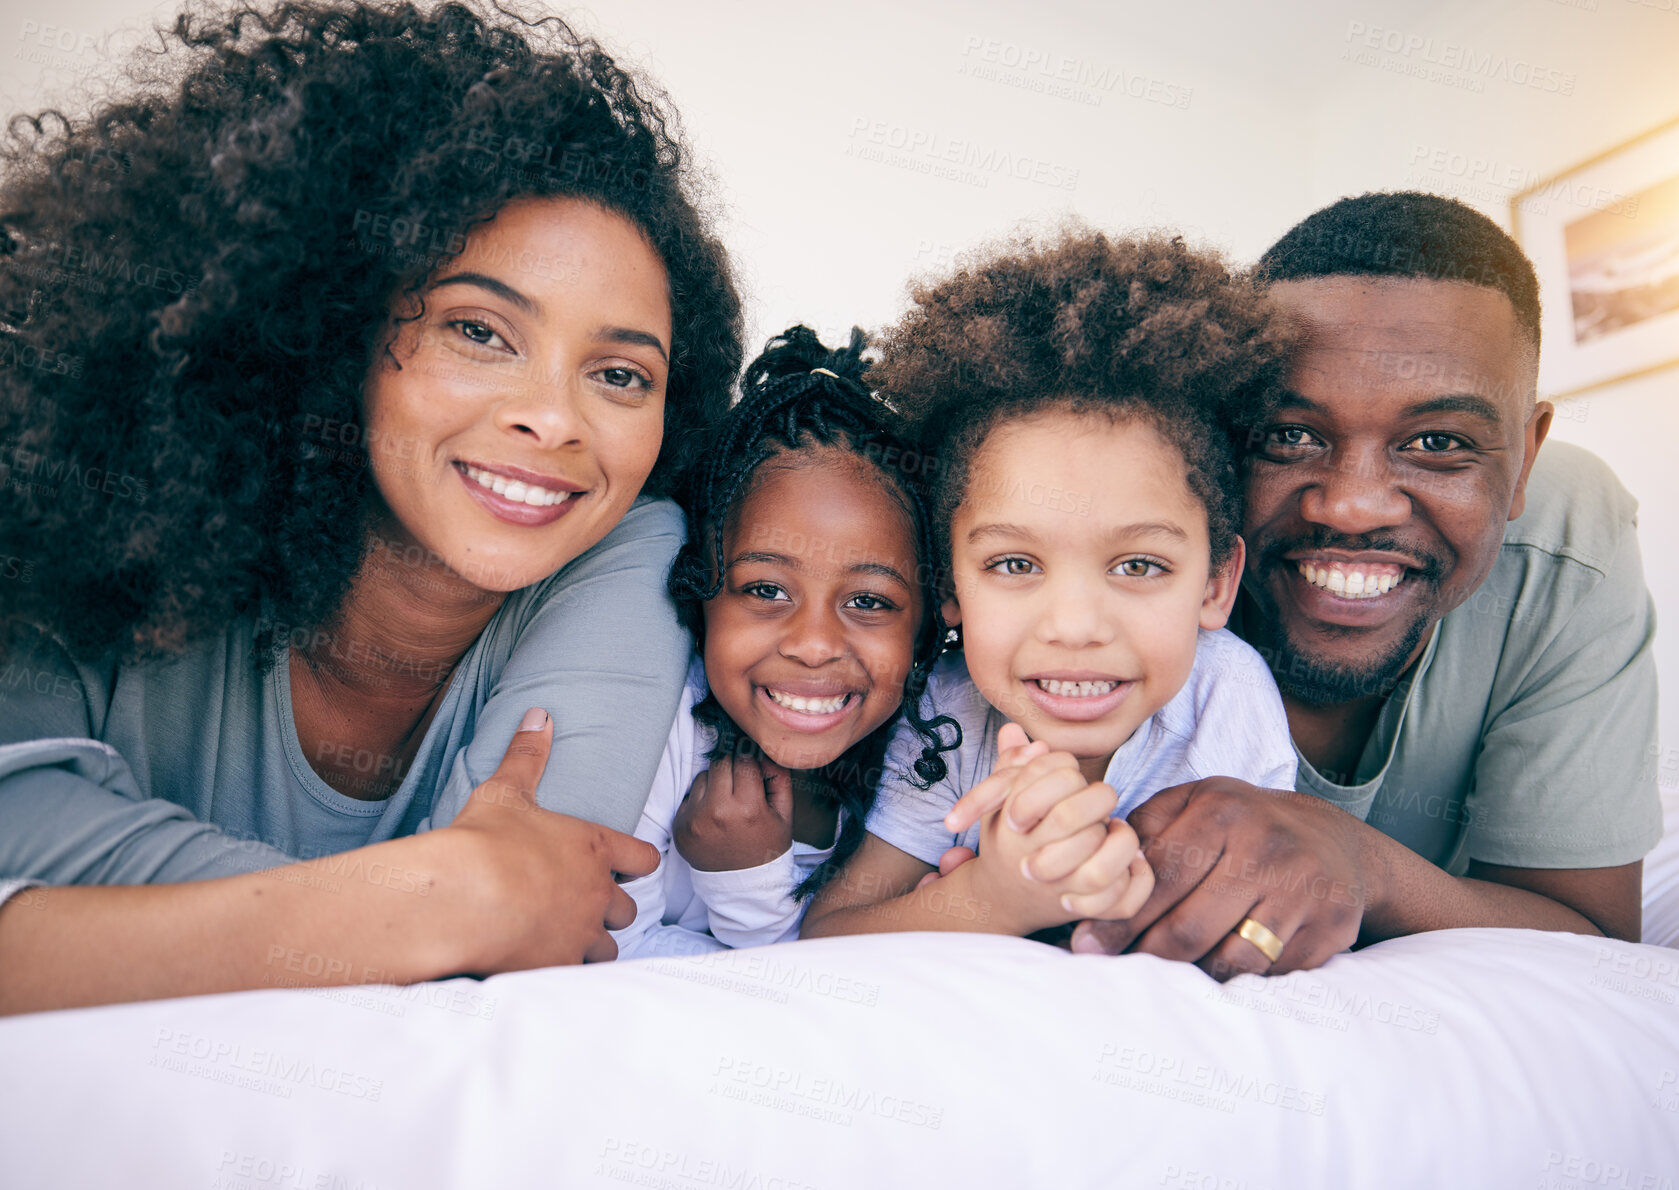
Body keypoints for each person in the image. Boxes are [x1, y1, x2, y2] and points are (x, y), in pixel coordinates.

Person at [0, 0, 743, 1014]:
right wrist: (428, 895)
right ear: (330, 329)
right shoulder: (116, 517)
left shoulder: (634, 550)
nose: (552, 418)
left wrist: (106, 928)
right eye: (479, 330)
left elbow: (516, 943)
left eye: (618, 374)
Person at [1070, 193, 1663, 976]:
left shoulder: (1567, 537)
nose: (1351, 506)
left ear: (1524, 456)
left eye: (1438, 442)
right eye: (1288, 435)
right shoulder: (1133, 527)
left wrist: (1359, 861)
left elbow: (1587, 931)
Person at [800, 230, 1300, 943]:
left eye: (1137, 566)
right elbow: (830, 937)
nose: (1072, 625)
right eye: (1013, 565)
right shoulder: (950, 710)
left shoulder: (1227, 699)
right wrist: (993, 899)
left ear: (1216, 585)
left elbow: (1240, 922)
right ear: (949, 584)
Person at [611, 326, 955, 958]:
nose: (815, 644)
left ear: (931, 622)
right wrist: (755, 909)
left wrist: (751, 893)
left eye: (869, 602)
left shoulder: (926, 758)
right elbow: (607, 960)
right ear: (701, 588)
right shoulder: (660, 728)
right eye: (766, 590)